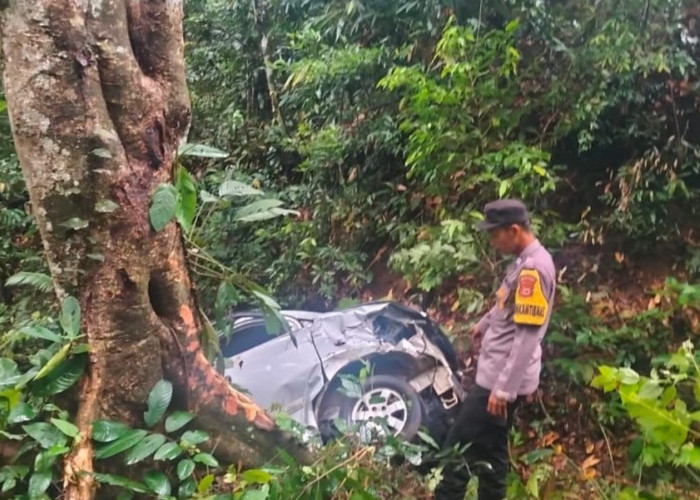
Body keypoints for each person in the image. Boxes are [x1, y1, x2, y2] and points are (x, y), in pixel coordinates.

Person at [435, 199, 556, 500]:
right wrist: (485, 322)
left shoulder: (532, 270)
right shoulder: (523, 262)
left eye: (494, 234)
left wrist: (503, 389)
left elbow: (527, 337)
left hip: (499, 381)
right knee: (492, 451)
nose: (491, 241)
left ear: (513, 230)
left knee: (457, 445)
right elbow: (508, 305)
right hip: (498, 375)